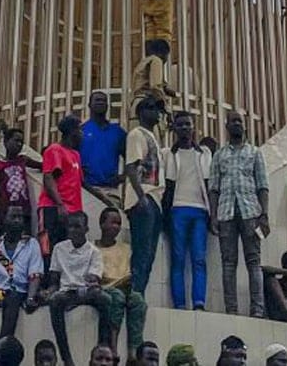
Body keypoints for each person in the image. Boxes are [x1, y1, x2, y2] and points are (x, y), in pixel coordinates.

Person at [210, 109, 269, 317]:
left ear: (244, 125)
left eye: (239, 121)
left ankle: (257, 311)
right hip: (226, 213)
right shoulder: (219, 155)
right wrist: (213, 216)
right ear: (226, 126)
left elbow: (262, 186)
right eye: (232, 121)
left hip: (250, 212)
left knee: (253, 261)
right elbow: (214, 188)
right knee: (228, 263)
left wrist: (264, 215)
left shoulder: (255, 152)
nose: (236, 124)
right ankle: (231, 310)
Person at [40, 115, 116, 258]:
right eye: (80, 130)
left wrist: (103, 198)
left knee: (69, 251)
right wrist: (60, 204)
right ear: (72, 131)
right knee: (49, 249)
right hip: (54, 208)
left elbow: (81, 182)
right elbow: (49, 179)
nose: (82, 134)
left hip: (73, 212)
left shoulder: (75, 154)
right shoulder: (55, 150)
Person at [47, 211, 113, 366]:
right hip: (66, 293)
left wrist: (91, 284)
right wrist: (49, 290)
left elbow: (94, 278)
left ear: (86, 229)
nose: (73, 230)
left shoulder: (94, 251)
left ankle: (102, 349)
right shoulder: (59, 248)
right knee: (54, 300)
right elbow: (54, 279)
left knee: (106, 299)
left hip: (87, 292)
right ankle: (67, 359)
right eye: (70, 227)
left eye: (77, 226)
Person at [161, 110, 212, 310]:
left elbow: (210, 184)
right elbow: (166, 186)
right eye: (180, 125)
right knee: (178, 259)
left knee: (199, 258)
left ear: (193, 127)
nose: (184, 128)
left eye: (188, 124)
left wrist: (212, 214)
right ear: (174, 128)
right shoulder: (168, 154)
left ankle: (199, 302)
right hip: (177, 210)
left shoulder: (204, 153)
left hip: (200, 210)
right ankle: (180, 304)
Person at [0, 204, 44, 354]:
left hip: (21, 292)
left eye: (20, 217)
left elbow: (35, 275)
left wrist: (31, 298)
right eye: (13, 216)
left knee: (12, 297)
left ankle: (1, 347)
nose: (18, 220)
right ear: (3, 219)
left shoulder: (31, 244)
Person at [124, 96, 166, 295]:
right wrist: (140, 197)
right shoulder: (136, 134)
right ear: (140, 113)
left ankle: (138, 293)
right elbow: (131, 166)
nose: (156, 112)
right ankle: (135, 293)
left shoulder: (153, 138)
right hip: (145, 198)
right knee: (142, 251)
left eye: (158, 109)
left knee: (149, 253)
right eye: (151, 108)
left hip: (155, 200)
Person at [95, 207, 147, 352]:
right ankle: (113, 348)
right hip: (105, 289)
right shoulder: (92, 248)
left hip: (124, 288)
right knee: (116, 298)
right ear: (102, 224)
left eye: (118, 223)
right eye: (113, 223)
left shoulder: (125, 248)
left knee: (138, 301)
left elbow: (128, 273)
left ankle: (134, 352)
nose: (116, 227)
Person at [0, 123, 42, 235]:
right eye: (16, 140)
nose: (19, 144)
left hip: (24, 212)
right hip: (6, 214)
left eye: (21, 142)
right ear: (6, 142)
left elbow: (42, 166)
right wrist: (0, 126)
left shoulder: (23, 160)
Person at [81, 91, 126, 203]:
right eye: (97, 100)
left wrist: (123, 177)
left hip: (111, 191)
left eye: (104, 100)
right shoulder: (81, 131)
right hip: (86, 189)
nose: (101, 103)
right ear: (89, 105)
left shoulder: (117, 132)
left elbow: (132, 159)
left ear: (107, 106)